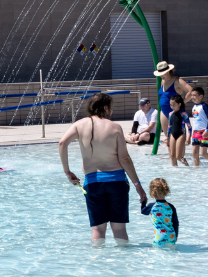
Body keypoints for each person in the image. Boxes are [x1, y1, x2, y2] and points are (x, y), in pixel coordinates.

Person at [58, 93, 147, 244]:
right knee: (119, 229)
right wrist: (137, 185)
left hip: (93, 183)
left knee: (98, 229)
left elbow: (62, 143)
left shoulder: (79, 125)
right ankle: (122, 262)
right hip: (117, 182)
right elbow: (124, 159)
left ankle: (98, 263)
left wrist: (67, 171)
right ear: (105, 107)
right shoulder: (115, 127)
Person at [185, 87, 208, 167]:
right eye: (192, 95)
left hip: (204, 132)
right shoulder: (194, 107)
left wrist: (207, 130)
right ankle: (197, 167)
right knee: (194, 152)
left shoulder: (204, 106)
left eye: (195, 95)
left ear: (201, 96)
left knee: (203, 153)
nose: (192, 97)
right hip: (195, 132)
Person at [142, 178, 177, 248]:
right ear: (166, 191)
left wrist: (143, 202)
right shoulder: (171, 206)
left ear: (151, 192)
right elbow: (175, 222)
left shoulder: (151, 206)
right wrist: (176, 236)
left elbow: (143, 211)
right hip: (171, 236)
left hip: (159, 237)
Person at [166, 95, 188, 166]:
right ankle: (175, 170)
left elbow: (189, 127)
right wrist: (167, 138)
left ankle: (187, 166)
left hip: (181, 134)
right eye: (171, 105)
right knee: (172, 156)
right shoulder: (170, 114)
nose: (172, 106)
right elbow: (169, 126)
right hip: (173, 134)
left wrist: (189, 137)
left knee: (178, 157)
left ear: (179, 104)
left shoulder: (183, 114)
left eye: (174, 105)